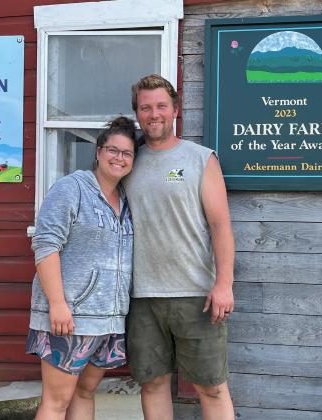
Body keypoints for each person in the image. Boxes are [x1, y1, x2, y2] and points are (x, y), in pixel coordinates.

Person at [124, 74, 235, 420]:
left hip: (197, 294)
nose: (153, 114)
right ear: (137, 114)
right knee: (153, 383)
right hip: (141, 296)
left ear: (175, 109)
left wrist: (224, 284)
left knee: (212, 386)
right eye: (145, 108)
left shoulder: (201, 159)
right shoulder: (126, 162)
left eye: (160, 106)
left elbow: (220, 225)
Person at [26, 116, 138, 420]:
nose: (119, 158)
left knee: (85, 394)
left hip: (108, 321)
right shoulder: (71, 188)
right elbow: (46, 245)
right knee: (55, 403)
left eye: (126, 153)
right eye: (113, 150)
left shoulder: (126, 201)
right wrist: (58, 304)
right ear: (99, 152)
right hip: (70, 318)